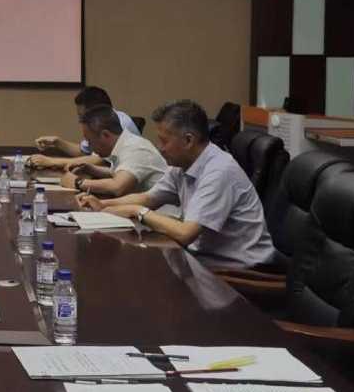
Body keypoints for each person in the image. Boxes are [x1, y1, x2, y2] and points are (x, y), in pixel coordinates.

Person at [76, 99, 274, 268]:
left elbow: (185, 233)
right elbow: (147, 198)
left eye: (164, 141)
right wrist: (102, 205)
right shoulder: (182, 164)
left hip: (240, 270)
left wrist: (138, 212)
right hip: (203, 258)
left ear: (188, 140)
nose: (160, 148)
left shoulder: (218, 171)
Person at [59, 105, 167, 197]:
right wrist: (90, 169)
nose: (89, 146)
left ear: (105, 135)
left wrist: (78, 182)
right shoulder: (125, 143)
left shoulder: (135, 149)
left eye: (89, 140)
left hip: (163, 213)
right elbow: (118, 173)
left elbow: (117, 187)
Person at [30, 86, 142, 171]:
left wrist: (51, 161)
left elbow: (99, 160)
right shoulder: (105, 120)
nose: (80, 120)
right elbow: (85, 151)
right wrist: (57, 142)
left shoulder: (120, 123)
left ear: (95, 111)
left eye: (82, 116)